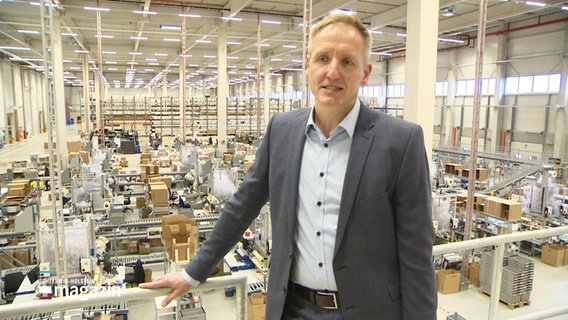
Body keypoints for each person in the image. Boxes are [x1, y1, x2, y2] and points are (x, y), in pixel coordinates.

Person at [141, 12, 437, 319]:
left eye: (347, 62)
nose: (332, 72)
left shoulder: (401, 141)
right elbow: (242, 206)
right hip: (293, 309)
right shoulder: (282, 130)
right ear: (307, 66)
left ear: (365, 73)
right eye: (323, 58)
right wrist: (192, 273)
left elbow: (416, 254)